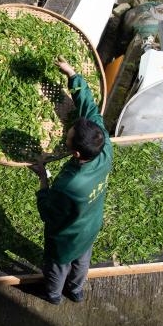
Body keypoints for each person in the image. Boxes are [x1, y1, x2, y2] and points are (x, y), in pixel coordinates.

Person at [30, 58, 113, 305]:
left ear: (75, 153)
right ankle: (76, 290)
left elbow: (47, 212)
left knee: (58, 265)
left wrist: (43, 178)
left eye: (68, 137)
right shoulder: (103, 144)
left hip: (66, 236)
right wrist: (72, 75)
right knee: (83, 260)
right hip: (91, 226)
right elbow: (89, 107)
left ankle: (54, 295)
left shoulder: (70, 184)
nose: (66, 135)